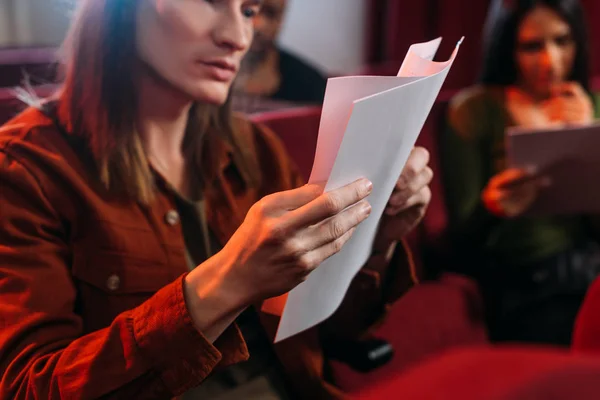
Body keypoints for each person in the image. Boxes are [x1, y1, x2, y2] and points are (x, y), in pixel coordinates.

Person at [0, 0, 433, 399]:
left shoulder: (256, 148)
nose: (239, 37)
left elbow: (333, 332)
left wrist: (375, 241)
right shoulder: (25, 170)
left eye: (248, 9)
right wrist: (227, 284)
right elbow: (25, 387)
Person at [443, 0, 600, 346]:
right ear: (507, 47)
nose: (551, 62)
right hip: (526, 284)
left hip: (589, 270)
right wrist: (493, 209)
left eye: (563, 41)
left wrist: (586, 139)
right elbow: (456, 247)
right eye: (532, 46)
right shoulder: (476, 110)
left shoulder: (590, 103)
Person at [234, 0, 328, 105]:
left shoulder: (310, 85)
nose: (259, 25)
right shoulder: (213, 71)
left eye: (270, 14)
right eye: (248, 12)